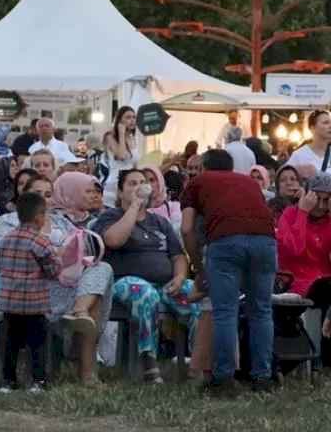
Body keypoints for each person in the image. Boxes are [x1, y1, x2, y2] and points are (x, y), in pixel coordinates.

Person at [0, 174, 112, 386]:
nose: (44, 199)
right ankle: (84, 367)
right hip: (32, 291)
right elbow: (6, 255)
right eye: (37, 193)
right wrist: (57, 254)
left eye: (48, 195)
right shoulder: (9, 222)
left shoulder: (61, 221)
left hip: (68, 286)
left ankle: (80, 312)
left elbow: (79, 252)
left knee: (101, 268)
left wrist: (74, 257)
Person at [180, 149, 278, 394]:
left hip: (225, 242)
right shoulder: (249, 182)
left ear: (203, 167)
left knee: (225, 311)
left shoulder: (197, 182)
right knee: (262, 310)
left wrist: (198, 267)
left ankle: (223, 379)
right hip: (266, 242)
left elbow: (186, 228)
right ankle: (262, 377)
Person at [93, 169, 196, 384]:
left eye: (143, 182)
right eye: (132, 184)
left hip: (165, 283)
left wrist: (179, 277)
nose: (139, 187)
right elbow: (113, 240)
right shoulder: (110, 217)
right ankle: (148, 362)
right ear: (120, 192)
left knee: (196, 294)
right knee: (146, 294)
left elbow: (177, 256)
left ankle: (199, 363)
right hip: (125, 282)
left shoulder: (159, 222)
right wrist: (133, 207)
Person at [0, 191, 59, 393]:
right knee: (37, 344)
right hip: (34, 304)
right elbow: (52, 270)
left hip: (10, 303)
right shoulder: (41, 242)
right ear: (40, 217)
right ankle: (38, 381)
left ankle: (8, 380)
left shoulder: (6, 239)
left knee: (11, 344)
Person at [276, 173, 331, 369]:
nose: (323, 206)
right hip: (298, 282)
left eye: (327, 200)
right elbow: (295, 250)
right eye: (319, 199)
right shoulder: (290, 215)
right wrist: (302, 213)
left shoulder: (328, 220)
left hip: (324, 281)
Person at [102, 106, 139, 205]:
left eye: (134, 117)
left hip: (129, 184)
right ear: (119, 120)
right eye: (128, 117)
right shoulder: (109, 137)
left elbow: (135, 165)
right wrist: (121, 134)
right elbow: (121, 156)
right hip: (115, 183)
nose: (132, 120)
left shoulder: (133, 138)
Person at [284, 110, 331, 178]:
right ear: (312, 128)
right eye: (325, 123)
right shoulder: (299, 155)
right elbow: (286, 177)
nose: (330, 126)